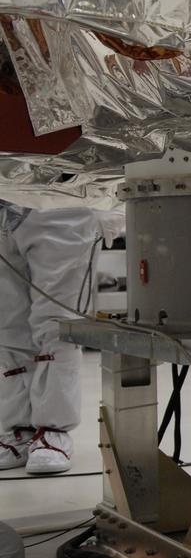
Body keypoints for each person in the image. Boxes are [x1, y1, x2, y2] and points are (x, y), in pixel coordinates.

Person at [0, 200, 97, 475]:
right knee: (7, 323)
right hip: (5, 192)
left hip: (59, 197)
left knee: (57, 321)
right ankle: (18, 428)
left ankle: (53, 431)